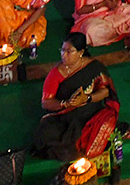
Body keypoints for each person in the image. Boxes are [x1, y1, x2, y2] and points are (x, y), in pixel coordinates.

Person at [31, 32, 123, 161]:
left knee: (103, 125)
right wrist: (66, 103)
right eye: (62, 50)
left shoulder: (94, 66)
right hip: (66, 115)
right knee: (45, 134)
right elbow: (46, 102)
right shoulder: (56, 74)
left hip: (90, 110)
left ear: (81, 52)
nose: (64, 55)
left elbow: (105, 91)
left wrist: (87, 98)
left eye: (69, 51)